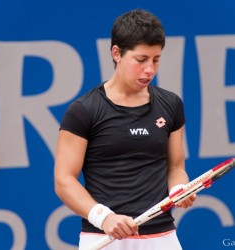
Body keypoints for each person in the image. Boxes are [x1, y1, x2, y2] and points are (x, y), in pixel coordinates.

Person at [54, 8, 196, 250]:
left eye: (156, 59)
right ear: (116, 53)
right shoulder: (83, 111)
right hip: (103, 238)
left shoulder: (171, 105)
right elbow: (64, 180)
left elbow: (175, 167)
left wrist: (179, 188)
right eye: (141, 60)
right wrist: (104, 217)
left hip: (163, 237)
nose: (150, 69)